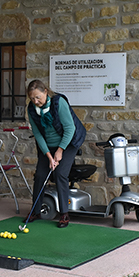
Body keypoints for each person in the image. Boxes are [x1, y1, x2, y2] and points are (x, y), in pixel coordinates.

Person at [25, 79, 87, 228]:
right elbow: (38, 134)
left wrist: (59, 151)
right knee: (40, 175)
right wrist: (48, 155)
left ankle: (64, 213)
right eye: (32, 98)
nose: (36, 101)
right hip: (47, 145)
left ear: (45, 91)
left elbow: (69, 129)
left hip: (68, 142)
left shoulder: (59, 103)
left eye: (38, 97)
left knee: (60, 174)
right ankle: (36, 210)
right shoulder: (32, 109)